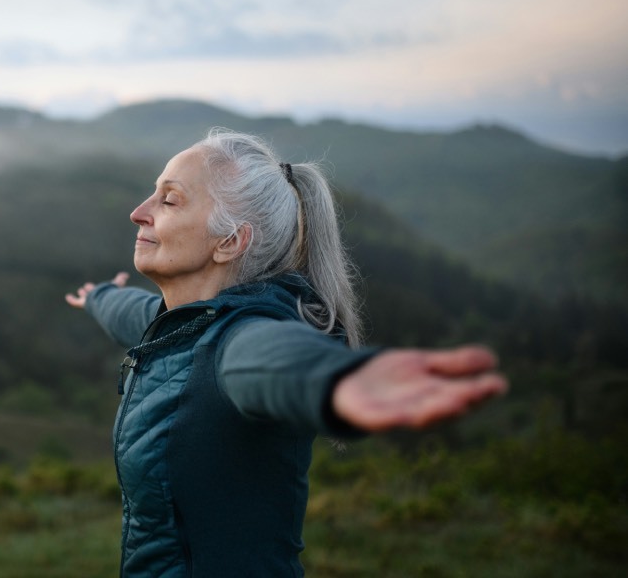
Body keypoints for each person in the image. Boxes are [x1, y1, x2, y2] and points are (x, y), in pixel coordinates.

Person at [64, 129, 508, 577]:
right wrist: (99, 298)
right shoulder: (184, 325)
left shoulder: (238, 339)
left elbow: (273, 358)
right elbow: (136, 314)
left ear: (230, 242)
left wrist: (336, 379)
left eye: (170, 200)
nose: (138, 213)